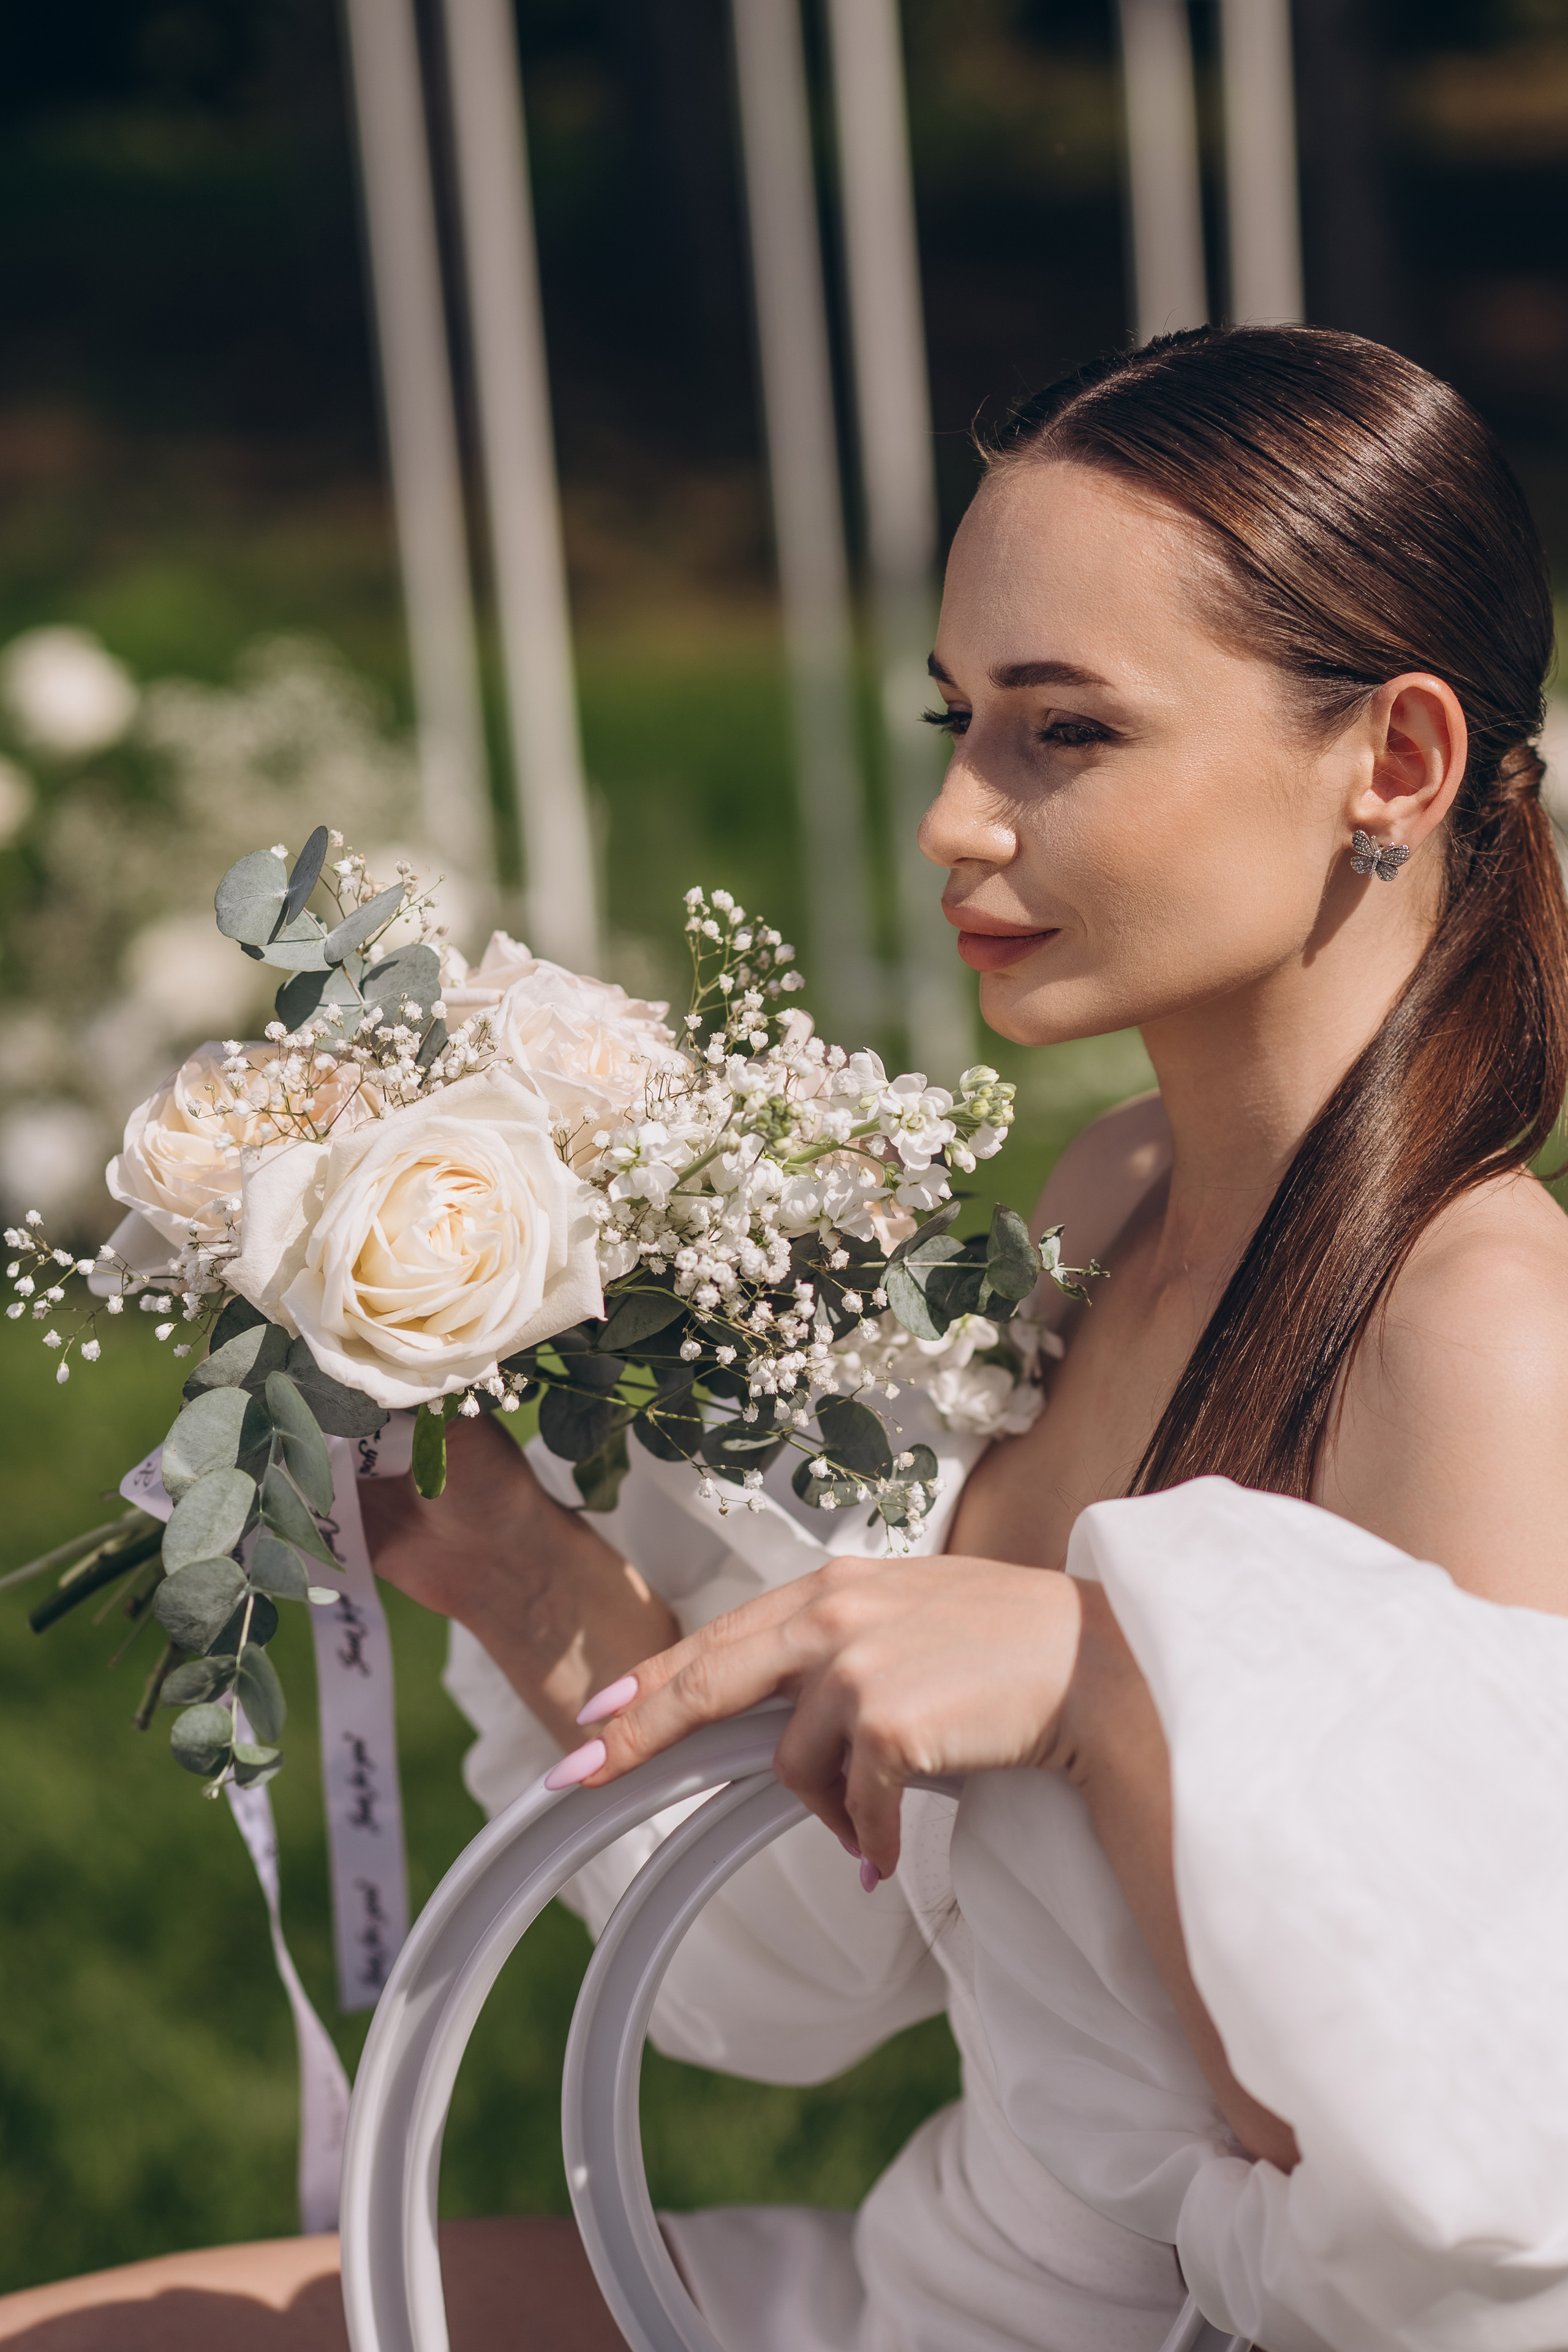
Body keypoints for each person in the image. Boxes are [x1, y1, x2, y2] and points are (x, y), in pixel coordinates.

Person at [10, 321, 1568, 2352]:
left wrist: (1114, 1685)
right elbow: (817, 1957)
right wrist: (508, 1567)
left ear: (1399, 759)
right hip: (923, 2288)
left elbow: (1458, 2229)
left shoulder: (1479, 1341)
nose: (956, 819)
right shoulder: (1112, 1199)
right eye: (958, 721)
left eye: (1064, 733)